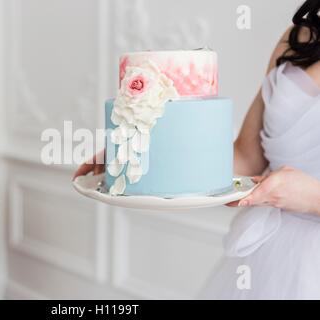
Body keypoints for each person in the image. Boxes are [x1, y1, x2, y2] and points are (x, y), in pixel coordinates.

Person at [74, 0, 320, 299]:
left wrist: (312, 197)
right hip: (269, 254)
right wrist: (136, 155)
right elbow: (245, 157)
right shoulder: (298, 39)